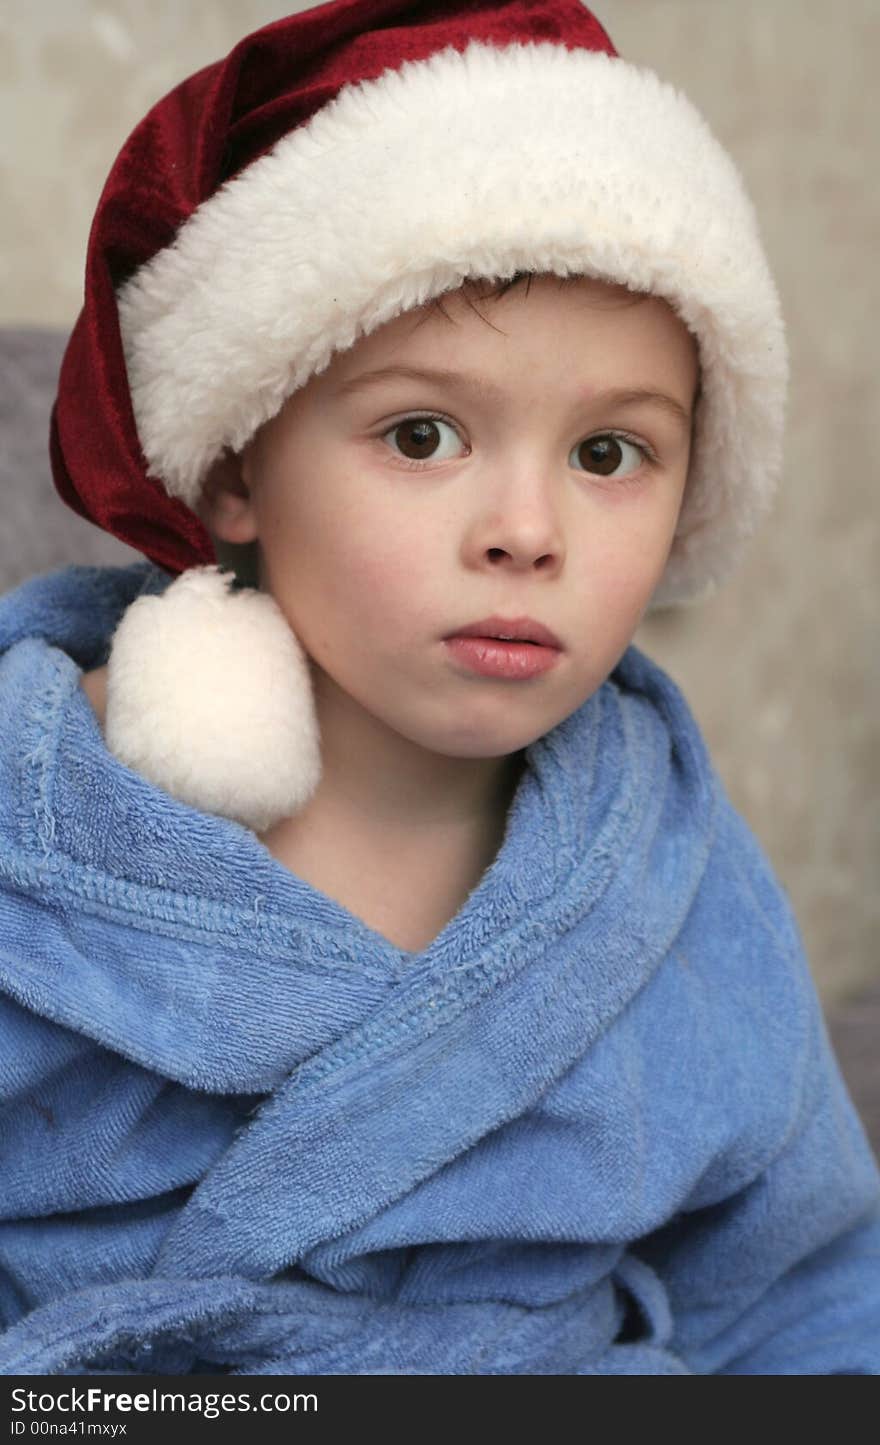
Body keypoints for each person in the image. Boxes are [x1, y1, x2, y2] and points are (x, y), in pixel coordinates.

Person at [0, 0, 877, 1376]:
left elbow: (807, 1294)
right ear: (236, 465)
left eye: (610, 453)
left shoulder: (665, 866)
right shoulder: (52, 824)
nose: (529, 529)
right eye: (424, 433)